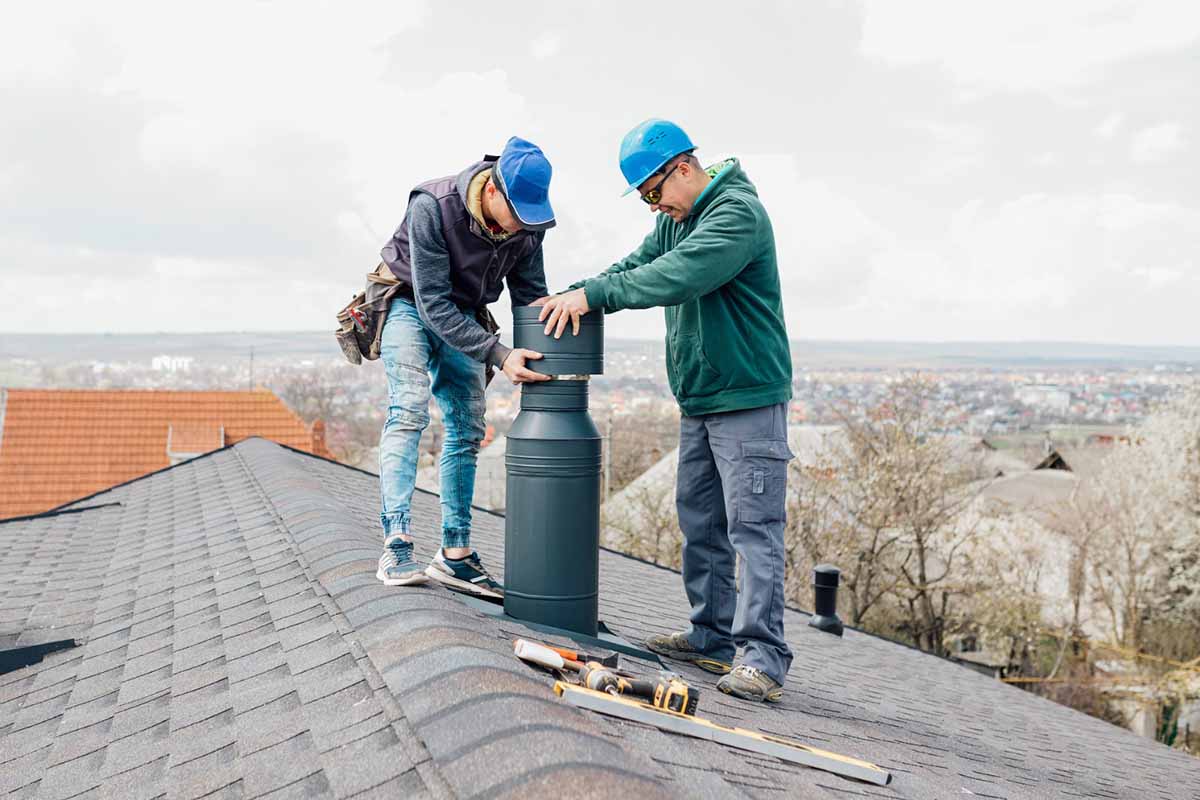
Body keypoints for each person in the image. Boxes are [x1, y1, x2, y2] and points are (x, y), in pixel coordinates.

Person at [536, 120, 794, 702]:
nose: (652, 206)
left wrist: (595, 297)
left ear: (683, 168)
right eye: (645, 199)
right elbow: (633, 267)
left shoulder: (735, 214)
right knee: (700, 523)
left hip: (748, 399)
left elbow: (676, 277)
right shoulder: (674, 221)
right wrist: (573, 292)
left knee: (753, 530)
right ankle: (711, 637)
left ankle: (765, 657)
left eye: (654, 192)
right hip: (701, 399)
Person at [376, 136, 553, 599]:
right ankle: (397, 543)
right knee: (409, 411)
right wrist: (498, 354)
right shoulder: (433, 206)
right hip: (410, 303)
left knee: (467, 429)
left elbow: (530, 297)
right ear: (492, 192)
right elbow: (432, 303)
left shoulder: (529, 227)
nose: (522, 228)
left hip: (466, 312)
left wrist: (547, 349)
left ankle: (454, 554)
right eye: (517, 215)